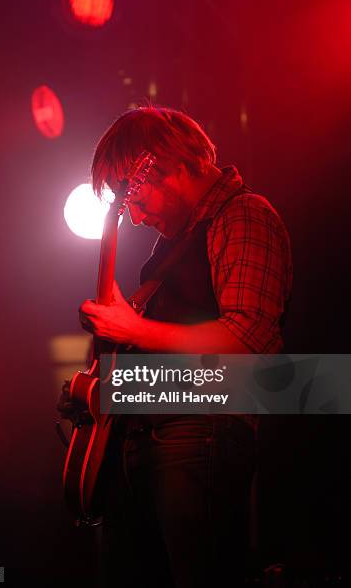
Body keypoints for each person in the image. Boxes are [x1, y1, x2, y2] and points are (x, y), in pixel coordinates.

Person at [79, 106, 293, 587]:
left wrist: (133, 330)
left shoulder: (245, 215)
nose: (132, 216)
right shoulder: (169, 248)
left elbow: (247, 341)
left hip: (199, 433)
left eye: (134, 195)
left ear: (165, 165)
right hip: (141, 438)